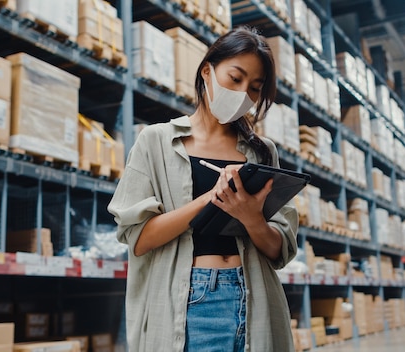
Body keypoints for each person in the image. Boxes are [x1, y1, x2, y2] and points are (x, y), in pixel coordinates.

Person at [107, 26, 298, 351]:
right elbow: (138, 239)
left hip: (255, 298)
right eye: (235, 78)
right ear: (207, 71)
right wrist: (213, 199)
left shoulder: (262, 152)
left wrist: (252, 219)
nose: (243, 94)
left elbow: (280, 252)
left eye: (254, 87)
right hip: (192, 301)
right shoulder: (157, 141)